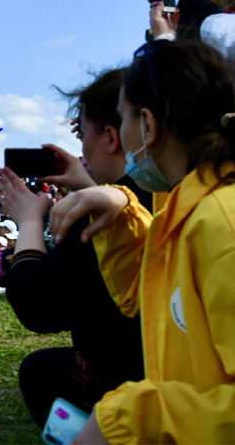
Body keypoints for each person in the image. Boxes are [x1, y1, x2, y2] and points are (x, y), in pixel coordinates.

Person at [48, 40, 235, 443]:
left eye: (122, 117)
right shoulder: (186, 205)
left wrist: (132, 419)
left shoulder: (223, 224)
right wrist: (121, 208)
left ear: (147, 126)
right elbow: (148, 293)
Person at [0, 67, 150, 429]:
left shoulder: (109, 215)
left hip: (129, 386)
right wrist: (87, 184)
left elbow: (37, 306)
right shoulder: (177, 196)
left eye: (83, 132)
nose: (81, 147)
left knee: (39, 375)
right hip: (178, 371)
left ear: (112, 136)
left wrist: (30, 221)